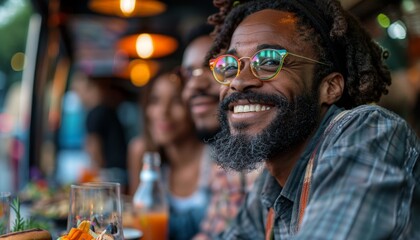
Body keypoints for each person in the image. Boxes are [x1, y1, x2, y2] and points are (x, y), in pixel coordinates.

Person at [203, 0, 420, 239]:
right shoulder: (270, 188)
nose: (238, 81)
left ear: (330, 87)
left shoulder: (369, 131)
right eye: (230, 66)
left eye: (269, 61)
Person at [181, 23, 261, 239]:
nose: (194, 85)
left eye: (215, 67)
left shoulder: (264, 160)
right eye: (188, 73)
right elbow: (211, 234)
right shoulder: (226, 159)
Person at [127, 69, 210, 240]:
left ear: (195, 107)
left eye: (177, 101)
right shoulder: (143, 155)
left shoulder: (217, 162)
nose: (163, 112)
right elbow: (138, 225)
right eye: (155, 101)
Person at [73, 74, 128, 190]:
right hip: (122, 173)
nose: (78, 97)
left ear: (90, 89)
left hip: (110, 175)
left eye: (78, 91)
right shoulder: (108, 110)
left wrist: (93, 177)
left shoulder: (94, 114)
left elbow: (95, 153)